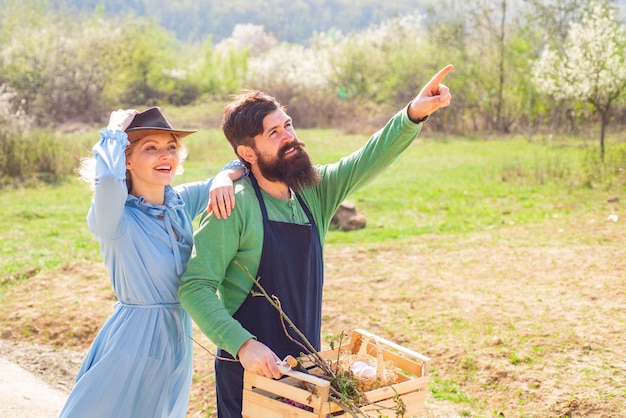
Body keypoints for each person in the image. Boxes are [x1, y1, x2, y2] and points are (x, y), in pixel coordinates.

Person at [179, 64, 454, 417]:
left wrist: (413, 114)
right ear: (247, 153)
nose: (289, 137)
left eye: (288, 124)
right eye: (273, 133)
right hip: (249, 375)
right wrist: (243, 345)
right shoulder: (233, 204)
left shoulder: (313, 191)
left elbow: (368, 158)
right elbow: (195, 286)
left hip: (307, 371)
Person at [59, 107, 246, 418]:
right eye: (151, 148)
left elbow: (240, 167)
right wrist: (114, 131)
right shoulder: (114, 218)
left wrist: (224, 176)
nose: (165, 155)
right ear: (126, 160)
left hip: (178, 336)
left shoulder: (180, 203)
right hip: (134, 338)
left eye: (171, 147)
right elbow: (106, 180)